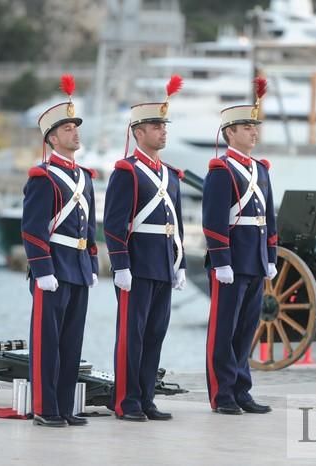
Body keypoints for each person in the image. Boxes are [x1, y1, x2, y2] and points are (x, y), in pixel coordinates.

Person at [103, 75, 187, 422]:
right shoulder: (127, 171)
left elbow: (176, 223)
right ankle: (127, 400)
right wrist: (121, 265)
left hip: (163, 264)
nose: (162, 131)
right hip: (137, 266)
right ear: (138, 132)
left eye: (164, 126)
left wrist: (179, 264)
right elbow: (114, 223)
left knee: (154, 335)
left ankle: (146, 397)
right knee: (131, 336)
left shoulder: (170, 174)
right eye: (155, 126)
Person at [21, 74, 99, 427]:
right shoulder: (43, 177)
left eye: (76, 127)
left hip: (78, 266)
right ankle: (45, 408)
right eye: (67, 128)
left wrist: (93, 263)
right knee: (47, 343)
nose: (75, 133)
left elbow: (90, 227)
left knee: (71, 343)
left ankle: (65, 407)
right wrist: (43, 269)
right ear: (52, 137)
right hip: (53, 268)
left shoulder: (84, 177)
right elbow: (33, 229)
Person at [201, 77, 278, 415]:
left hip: (255, 258)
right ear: (230, 132)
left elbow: (269, 218)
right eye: (247, 127)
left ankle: (242, 389)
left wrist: (271, 257)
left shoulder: (261, 170)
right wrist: (221, 261)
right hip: (232, 261)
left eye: (254, 127)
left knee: (247, 330)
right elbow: (214, 220)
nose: (253, 132)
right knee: (224, 330)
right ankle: (222, 394)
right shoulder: (221, 170)